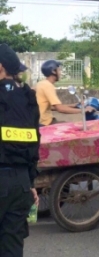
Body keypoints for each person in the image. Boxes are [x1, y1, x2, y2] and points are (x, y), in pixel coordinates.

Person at [0, 43, 40, 257]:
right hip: (20, 185)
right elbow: (34, 143)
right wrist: (30, 182)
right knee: (12, 247)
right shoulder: (28, 98)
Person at [35, 60, 94, 126]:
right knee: (73, 128)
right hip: (45, 124)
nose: (60, 73)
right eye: (59, 70)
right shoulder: (48, 86)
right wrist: (83, 110)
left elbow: (51, 107)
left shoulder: (41, 84)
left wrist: (75, 105)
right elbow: (60, 109)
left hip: (41, 121)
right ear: (53, 71)